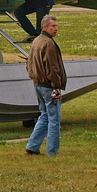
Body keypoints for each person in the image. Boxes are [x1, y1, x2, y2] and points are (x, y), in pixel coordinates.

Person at [25, 14, 67, 156]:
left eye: (56, 25)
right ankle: (52, 151)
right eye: (53, 26)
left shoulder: (36, 40)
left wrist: (34, 77)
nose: (56, 29)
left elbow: (29, 63)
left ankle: (32, 147)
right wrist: (56, 86)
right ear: (45, 27)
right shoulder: (48, 43)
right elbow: (52, 67)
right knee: (54, 120)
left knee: (44, 116)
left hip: (38, 85)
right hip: (49, 86)